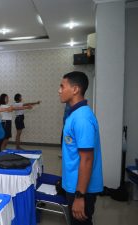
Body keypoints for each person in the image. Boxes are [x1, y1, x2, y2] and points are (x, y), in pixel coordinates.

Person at [58, 71, 103, 225]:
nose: (59, 91)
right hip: (74, 184)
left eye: (62, 86)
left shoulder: (82, 118)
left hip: (81, 189)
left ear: (75, 89)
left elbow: (87, 159)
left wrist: (79, 196)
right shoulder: (75, 114)